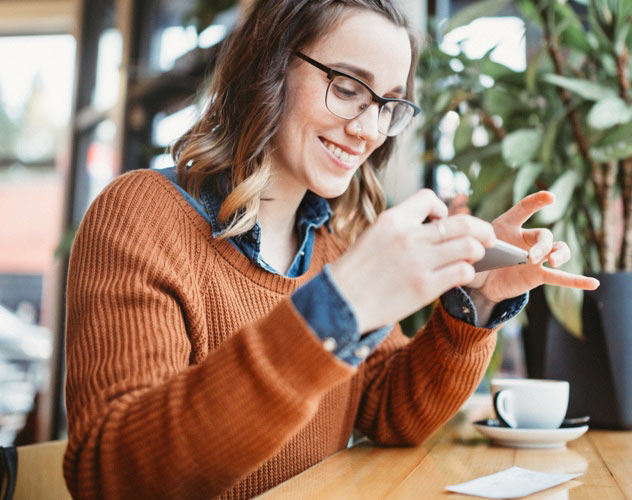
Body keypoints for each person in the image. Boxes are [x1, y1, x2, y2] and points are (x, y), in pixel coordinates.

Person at [62, 1, 599, 498]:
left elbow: (389, 410)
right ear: (269, 67)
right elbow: (113, 475)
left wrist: (476, 303)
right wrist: (336, 307)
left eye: (387, 105)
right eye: (345, 88)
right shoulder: (142, 215)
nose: (369, 131)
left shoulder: (333, 250)